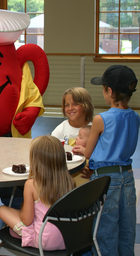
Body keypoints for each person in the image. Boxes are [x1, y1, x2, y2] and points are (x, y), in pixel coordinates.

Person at [75, 65, 139, 256]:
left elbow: (89, 153)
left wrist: (81, 148)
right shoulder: (135, 117)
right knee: (127, 230)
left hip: (106, 180)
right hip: (127, 176)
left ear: (109, 91)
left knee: (105, 231)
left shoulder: (101, 119)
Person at [0, 135, 75, 250]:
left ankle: (25, 236)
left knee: (2, 210)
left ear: (35, 160)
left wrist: (24, 206)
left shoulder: (32, 184)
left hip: (44, 241)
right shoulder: (69, 181)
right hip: (68, 239)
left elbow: (27, 220)